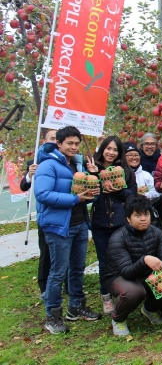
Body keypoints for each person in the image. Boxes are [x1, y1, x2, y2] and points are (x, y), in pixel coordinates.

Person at [34, 126, 101, 334]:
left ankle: (76, 306)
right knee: (58, 272)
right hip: (58, 227)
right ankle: (53, 315)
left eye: (76, 143)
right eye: (69, 143)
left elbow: (84, 195)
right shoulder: (49, 166)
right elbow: (42, 194)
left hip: (79, 224)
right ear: (59, 144)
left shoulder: (77, 165)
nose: (73, 147)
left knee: (77, 269)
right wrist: (75, 199)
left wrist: (94, 192)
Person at [103, 195, 162, 336]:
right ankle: (118, 319)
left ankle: (149, 309)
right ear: (128, 218)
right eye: (137, 215)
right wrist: (144, 260)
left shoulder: (156, 233)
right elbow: (126, 271)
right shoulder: (118, 238)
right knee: (134, 291)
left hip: (145, 274)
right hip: (118, 276)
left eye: (146, 214)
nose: (143, 218)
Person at [86, 136, 138, 315]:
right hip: (100, 222)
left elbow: (132, 195)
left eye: (115, 149)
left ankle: (122, 292)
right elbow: (89, 193)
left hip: (119, 223)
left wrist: (117, 188)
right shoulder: (94, 167)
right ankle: (106, 296)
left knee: (122, 260)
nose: (111, 152)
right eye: (108, 148)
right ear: (102, 149)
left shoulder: (125, 170)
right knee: (103, 261)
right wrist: (94, 175)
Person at [19, 128, 58, 297]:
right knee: (46, 251)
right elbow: (24, 186)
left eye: (58, 139)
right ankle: (44, 286)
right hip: (46, 215)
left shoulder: (68, 161)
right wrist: (29, 175)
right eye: (52, 138)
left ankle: (60, 284)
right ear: (44, 141)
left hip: (65, 215)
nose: (55, 142)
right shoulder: (36, 162)